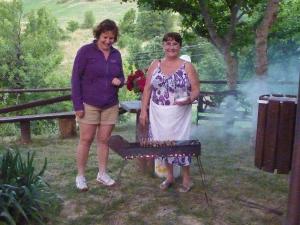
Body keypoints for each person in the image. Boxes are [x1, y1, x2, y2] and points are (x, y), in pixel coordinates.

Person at [139, 32, 200, 192]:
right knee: (163, 142)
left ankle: (187, 178)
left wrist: (189, 99)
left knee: (181, 142)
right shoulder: (155, 64)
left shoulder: (187, 66)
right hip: (158, 112)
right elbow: (147, 89)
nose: (171, 47)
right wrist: (143, 112)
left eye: (175, 44)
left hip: (179, 113)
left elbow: (196, 90)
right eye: (168, 44)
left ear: (180, 46)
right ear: (163, 46)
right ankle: (170, 177)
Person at [71, 19, 124, 191]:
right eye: (105, 37)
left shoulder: (116, 55)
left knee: (104, 140)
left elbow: (121, 76)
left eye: (111, 38)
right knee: (85, 139)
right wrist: (77, 105)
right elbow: (75, 79)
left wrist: (120, 81)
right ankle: (80, 176)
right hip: (89, 104)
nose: (108, 41)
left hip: (110, 104)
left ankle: (102, 173)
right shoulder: (86, 52)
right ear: (98, 35)